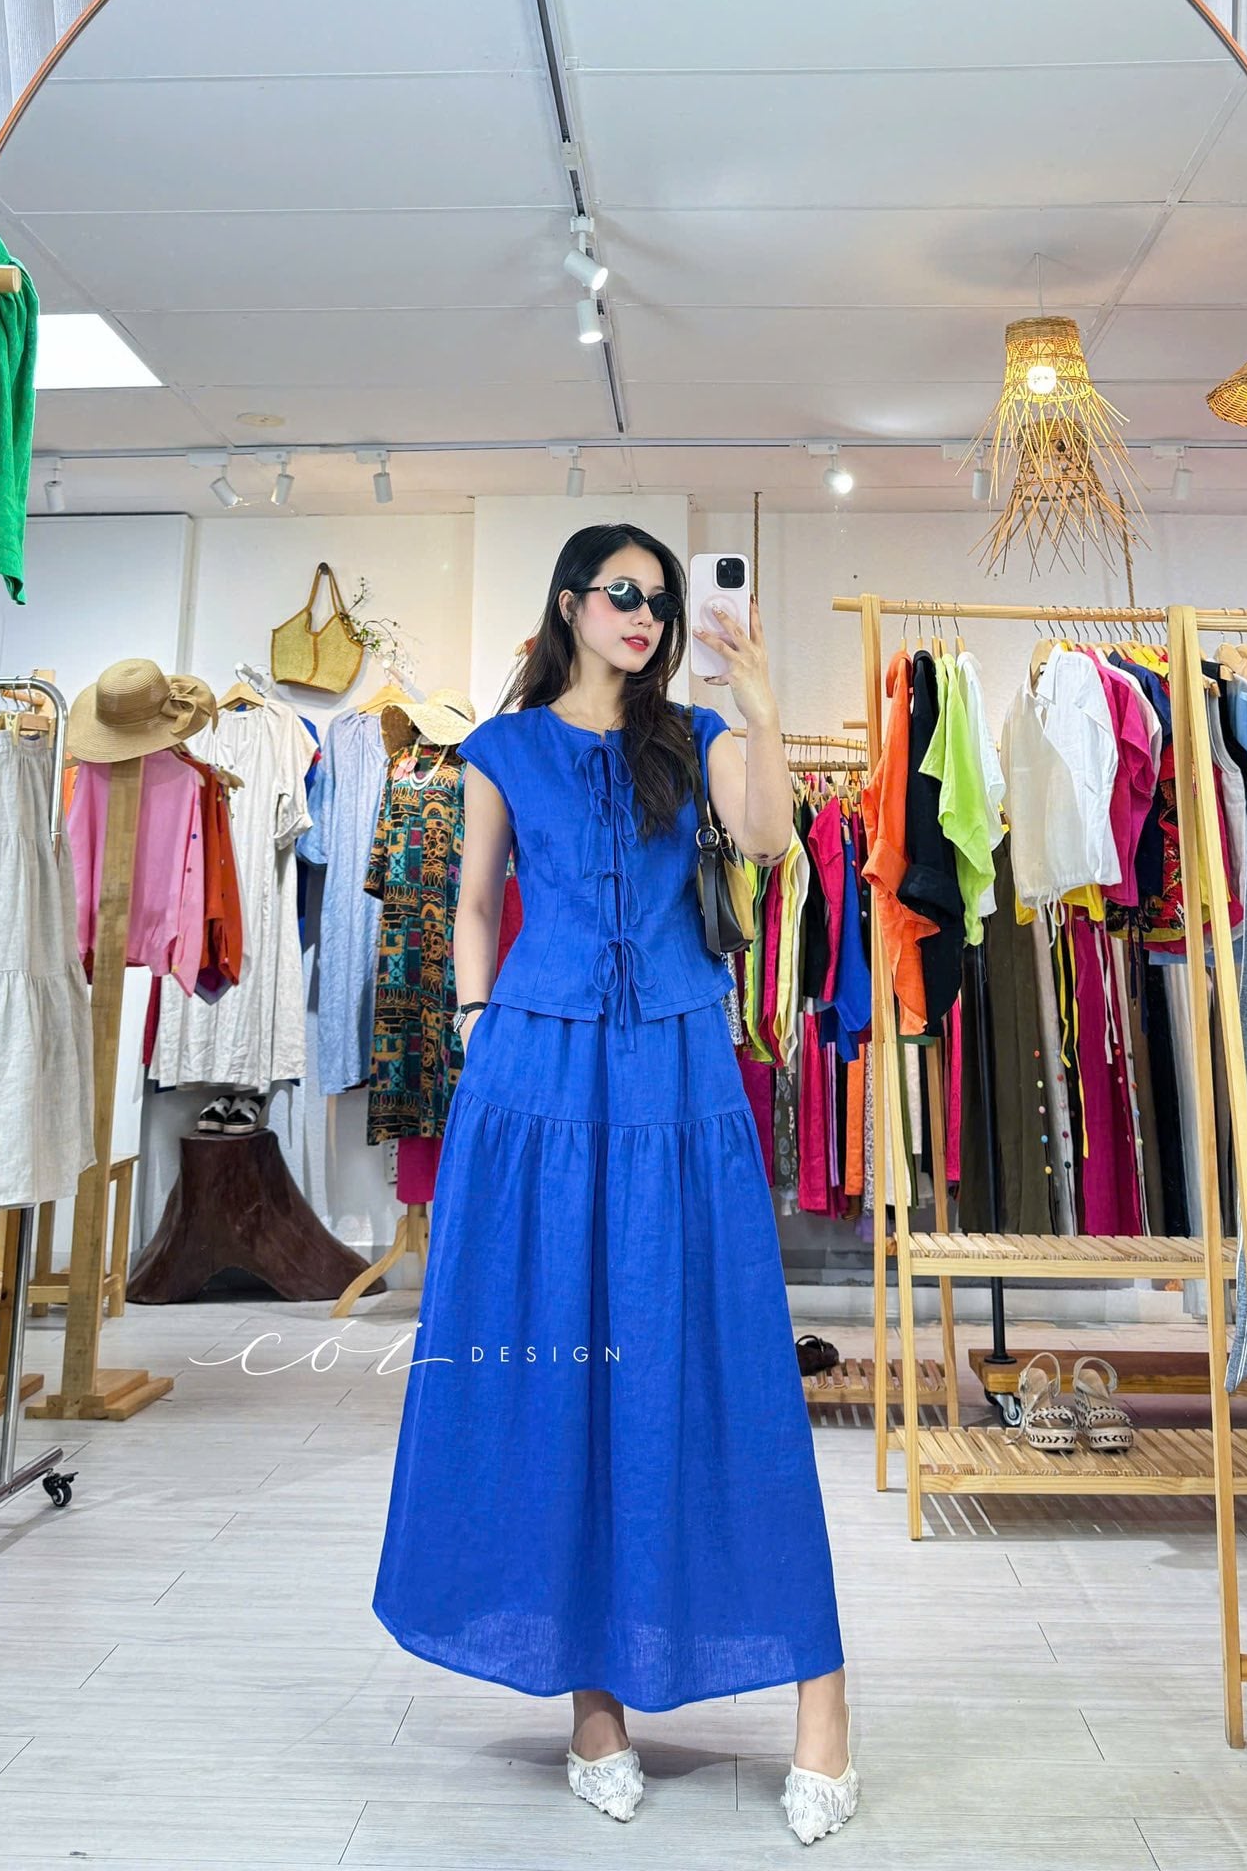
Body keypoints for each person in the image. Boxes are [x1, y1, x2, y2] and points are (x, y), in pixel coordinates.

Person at [372, 523, 856, 1843]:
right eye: (623, 594)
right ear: (571, 604)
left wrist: (759, 700)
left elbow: (768, 839)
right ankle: (597, 1709)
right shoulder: (500, 749)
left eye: (661, 599)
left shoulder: (693, 739)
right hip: (534, 1079)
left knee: (727, 1367)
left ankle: (823, 1705)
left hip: (680, 1078)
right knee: (567, 1379)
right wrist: (476, 1025)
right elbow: (476, 907)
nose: (645, 616)